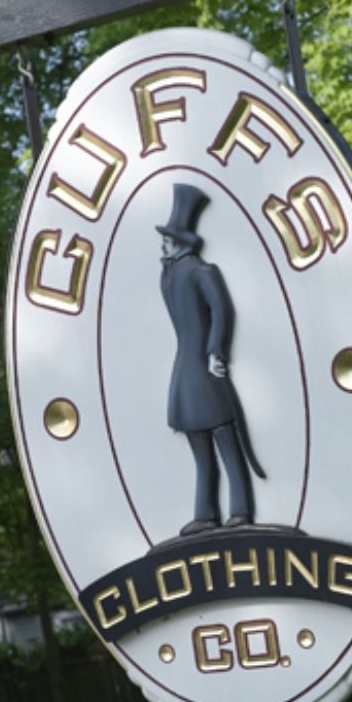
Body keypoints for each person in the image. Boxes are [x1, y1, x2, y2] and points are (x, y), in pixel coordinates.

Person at [157, 182, 265, 534]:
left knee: (225, 439)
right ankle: (205, 513)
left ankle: (240, 509)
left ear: (181, 242)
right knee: (200, 444)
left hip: (204, 363)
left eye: (168, 238)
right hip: (186, 366)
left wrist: (217, 350)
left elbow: (222, 311)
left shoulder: (202, 272)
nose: (163, 244)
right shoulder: (170, 276)